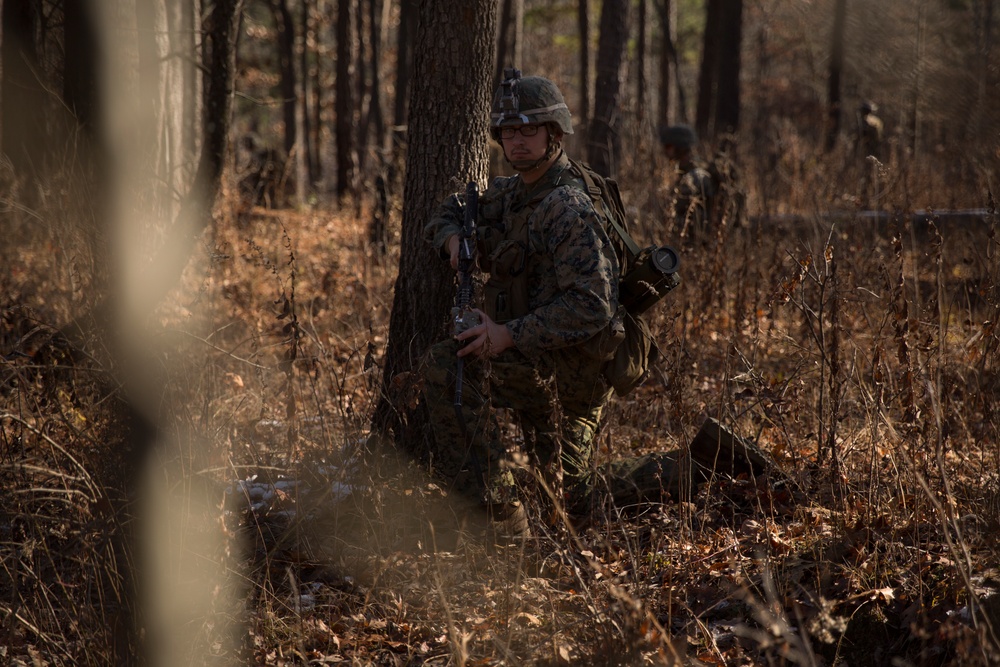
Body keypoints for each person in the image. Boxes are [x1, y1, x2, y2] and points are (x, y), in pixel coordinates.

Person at [419, 71, 723, 541]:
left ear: (554, 135)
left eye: (529, 130)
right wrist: (453, 241)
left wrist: (506, 336)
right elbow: (453, 208)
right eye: (509, 133)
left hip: (573, 373)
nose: (516, 142)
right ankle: (701, 464)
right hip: (544, 359)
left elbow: (592, 306)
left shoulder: (566, 205)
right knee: (568, 497)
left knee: (447, 366)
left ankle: (501, 517)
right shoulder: (517, 191)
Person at [658, 124, 717, 237]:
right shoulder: (687, 170)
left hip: (698, 238)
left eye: (668, 146)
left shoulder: (694, 176)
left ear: (680, 147)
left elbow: (674, 209)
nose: (665, 151)